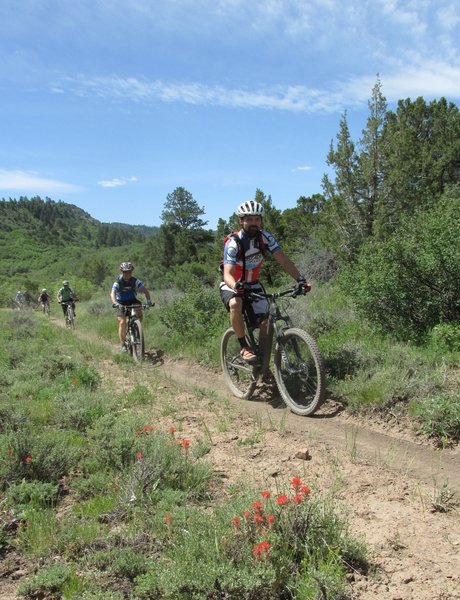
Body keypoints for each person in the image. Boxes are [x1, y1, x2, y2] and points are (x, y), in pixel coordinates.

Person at [219, 200, 310, 363]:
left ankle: (263, 363)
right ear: (241, 220)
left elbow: (283, 260)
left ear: (261, 221)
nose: (254, 223)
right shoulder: (234, 243)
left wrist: (300, 279)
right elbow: (227, 274)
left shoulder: (266, 238)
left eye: (257, 219)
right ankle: (244, 347)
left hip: (253, 284)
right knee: (235, 303)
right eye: (249, 219)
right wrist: (236, 286)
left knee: (265, 324)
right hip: (232, 284)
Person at [110, 261, 153, 352]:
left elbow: (145, 291)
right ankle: (122, 344)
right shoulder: (118, 281)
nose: (127, 273)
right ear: (122, 272)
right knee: (122, 322)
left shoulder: (135, 281)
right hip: (121, 302)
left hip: (132, 300)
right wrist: (115, 303)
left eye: (129, 271)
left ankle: (137, 327)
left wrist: (149, 301)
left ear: (131, 272)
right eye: (125, 272)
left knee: (139, 310)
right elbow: (112, 293)